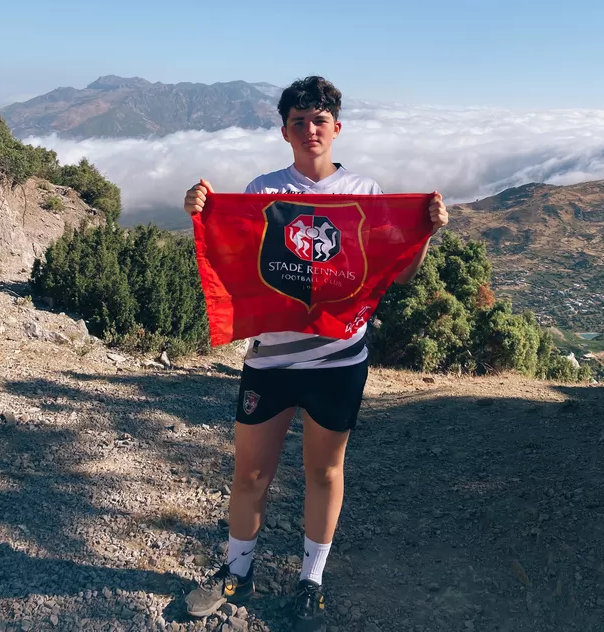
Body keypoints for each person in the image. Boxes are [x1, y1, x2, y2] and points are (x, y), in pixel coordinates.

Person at [182, 76, 448, 631]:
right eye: (299, 121)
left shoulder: (364, 192)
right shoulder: (263, 188)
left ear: (337, 127)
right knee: (251, 472)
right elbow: (236, 255)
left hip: (339, 357)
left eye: (319, 120)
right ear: (285, 131)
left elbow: (394, 272)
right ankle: (237, 573)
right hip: (271, 358)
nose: (310, 130)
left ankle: (312, 581)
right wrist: (202, 213)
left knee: (324, 472)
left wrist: (424, 234)